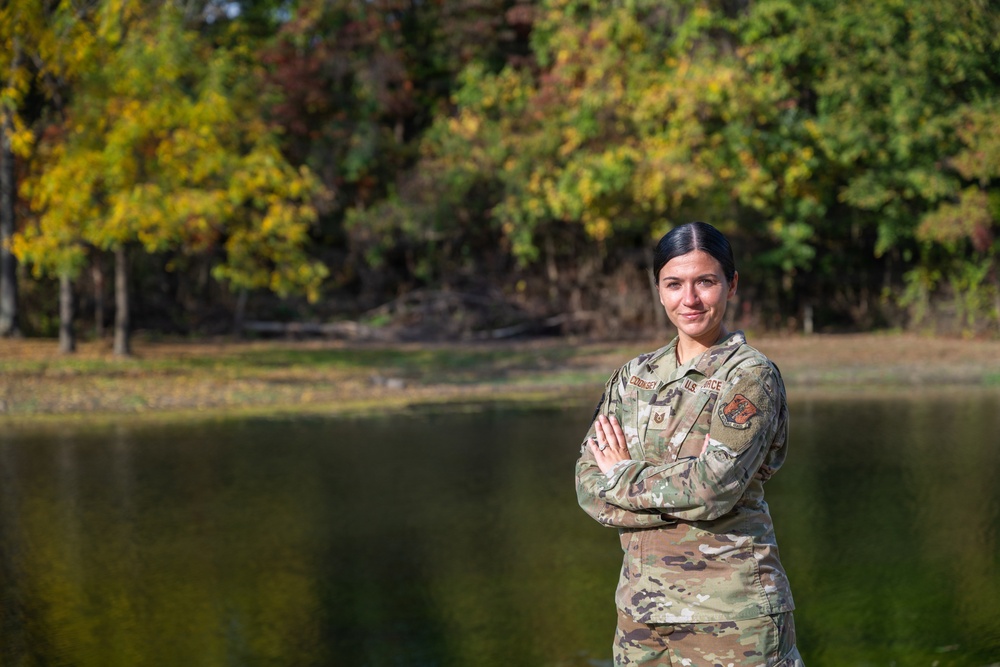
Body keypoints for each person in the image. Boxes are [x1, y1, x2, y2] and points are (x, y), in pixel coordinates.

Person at [575, 221, 803, 666]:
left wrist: (623, 477)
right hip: (640, 619)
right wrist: (671, 488)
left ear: (731, 285)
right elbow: (588, 487)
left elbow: (713, 488)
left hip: (732, 617)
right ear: (659, 290)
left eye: (706, 282)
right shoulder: (634, 376)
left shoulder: (748, 377)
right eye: (674, 284)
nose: (690, 299)